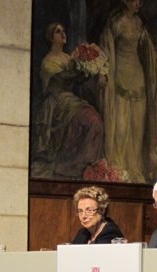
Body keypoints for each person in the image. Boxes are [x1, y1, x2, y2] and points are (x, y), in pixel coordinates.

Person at [98, 0, 157, 183]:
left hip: (138, 75)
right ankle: (118, 169)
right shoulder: (115, 22)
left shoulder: (140, 24)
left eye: (141, 1)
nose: (139, 4)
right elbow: (106, 47)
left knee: (137, 127)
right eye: (135, 0)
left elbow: (149, 50)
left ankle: (135, 171)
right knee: (120, 127)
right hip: (119, 75)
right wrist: (103, 72)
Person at [31, 22, 104, 179]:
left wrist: (91, 68)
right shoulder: (48, 62)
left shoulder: (68, 58)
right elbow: (59, 81)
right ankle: (69, 165)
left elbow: (77, 77)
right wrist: (81, 69)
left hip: (70, 99)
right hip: (57, 102)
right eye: (58, 32)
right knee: (90, 120)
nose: (63, 34)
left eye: (63, 31)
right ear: (51, 38)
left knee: (95, 120)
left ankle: (83, 165)